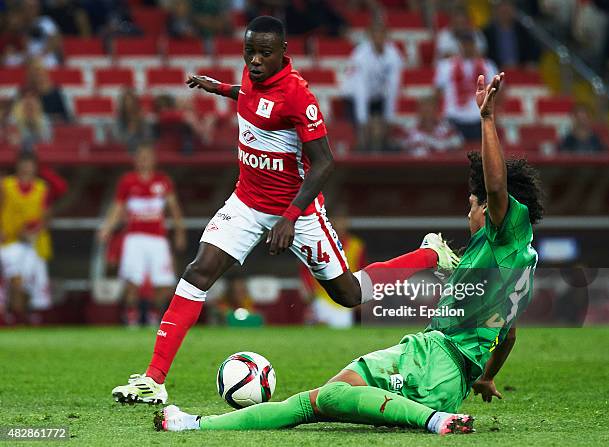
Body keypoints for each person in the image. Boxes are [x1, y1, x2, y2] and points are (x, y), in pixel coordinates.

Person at [153, 71, 545, 436]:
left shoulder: (503, 232)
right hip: (450, 381)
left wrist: (487, 120)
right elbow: (507, 335)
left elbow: (496, 188)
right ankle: (195, 423)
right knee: (326, 399)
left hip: (431, 359)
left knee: (326, 399)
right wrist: (486, 376)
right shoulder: (522, 270)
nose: (471, 213)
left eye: (473, 205)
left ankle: (434, 420)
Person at [111, 16, 460, 404]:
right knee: (198, 271)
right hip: (246, 201)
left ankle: (431, 252)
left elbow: (326, 162)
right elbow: (252, 97)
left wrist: (291, 217)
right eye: (250, 52)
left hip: (299, 211)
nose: (255, 60)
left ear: (283, 54)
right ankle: (154, 379)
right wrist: (221, 88)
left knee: (349, 293)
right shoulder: (250, 77)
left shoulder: (299, 96)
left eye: (264, 53)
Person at [98, 144, 187, 327]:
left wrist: (180, 232)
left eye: (148, 156)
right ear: (135, 160)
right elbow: (118, 207)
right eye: (141, 156)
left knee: (164, 284)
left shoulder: (162, 181)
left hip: (158, 240)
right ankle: (131, 318)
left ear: (154, 160)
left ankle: (153, 315)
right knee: (132, 282)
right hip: (135, 239)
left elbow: (174, 208)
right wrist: (107, 227)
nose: (144, 160)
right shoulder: (128, 181)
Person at [0, 152, 54, 323]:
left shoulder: (41, 188)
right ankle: (14, 317)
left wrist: (34, 231)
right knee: (14, 281)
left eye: (30, 164)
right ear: (17, 166)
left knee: (31, 285)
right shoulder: (5, 185)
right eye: (23, 164)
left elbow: (46, 217)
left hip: (33, 243)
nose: (26, 168)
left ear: (35, 167)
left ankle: (25, 318)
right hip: (9, 242)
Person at [341, 20, 403, 152]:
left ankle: (384, 152)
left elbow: (393, 87)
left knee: (381, 131)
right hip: (353, 97)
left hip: (377, 95)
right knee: (362, 135)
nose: (379, 37)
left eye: (382, 33)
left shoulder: (393, 55)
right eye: (375, 33)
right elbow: (360, 89)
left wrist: (389, 118)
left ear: (386, 35)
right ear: (370, 36)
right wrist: (363, 122)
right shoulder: (360, 55)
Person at [301, 210, 366, 328]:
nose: (340, 224)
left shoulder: (356, 245)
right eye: (336, 221)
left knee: (342, 331)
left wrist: (361, 295)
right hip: (322, 296)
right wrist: (308, 288)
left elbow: (361, 269)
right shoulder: (320, 242)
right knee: (318, 330)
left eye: (342, 221)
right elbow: (306, 267)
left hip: (345, 298)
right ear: (330, 222)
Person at [435, 31, 497, 141]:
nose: (467, 47)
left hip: (478, 119)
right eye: (464, 44)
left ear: (475, 45)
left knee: (478, 156)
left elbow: (496, 91)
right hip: (454, 117)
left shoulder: (487, 65)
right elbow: (438, 92)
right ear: (459, 46)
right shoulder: (446, 66)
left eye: (470, 44)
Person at [482, 0, 540, 69]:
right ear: (495, 11)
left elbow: (532, 51)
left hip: (520, 70)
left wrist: (530, 63)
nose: (505, 11)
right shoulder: (487, 32)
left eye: (508, 8)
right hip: (497, 70)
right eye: (502, 9)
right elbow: (485, 55)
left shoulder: (523, 31)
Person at [397, 96, 463, 156]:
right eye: (424, 110)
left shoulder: (447, 128)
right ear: (418, 111)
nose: (427, 113)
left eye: (429, 109)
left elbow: (458, 146)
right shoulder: (408, 128)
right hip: (415, 166)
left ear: (436, 110)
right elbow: (400, 149)